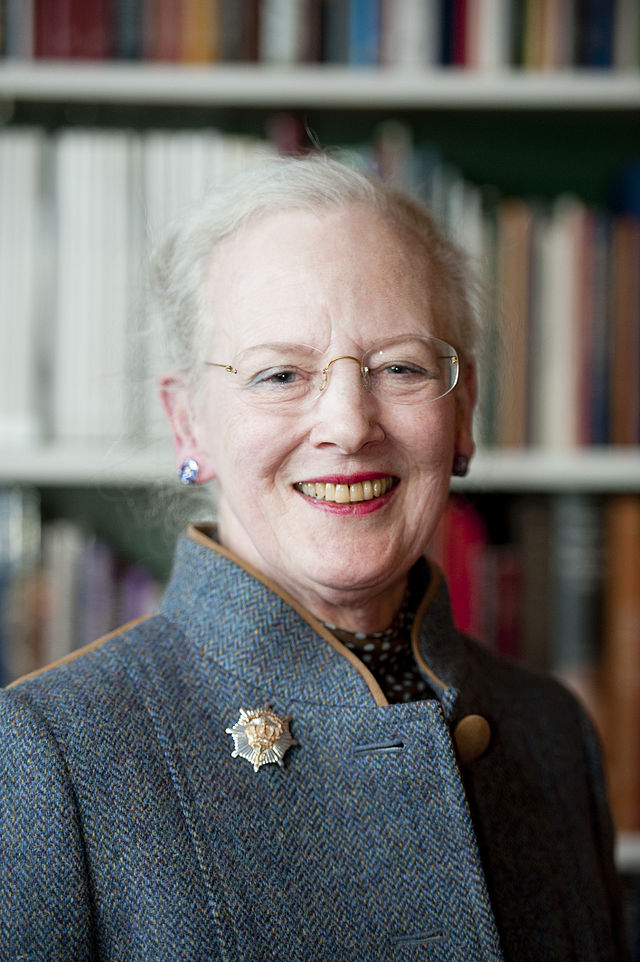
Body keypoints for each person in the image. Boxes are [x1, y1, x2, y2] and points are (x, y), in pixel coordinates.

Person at [0, 155, 628, 961]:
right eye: (280, 374)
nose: (349, 424)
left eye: (399, 367)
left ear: (464, 412)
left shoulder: (550, 730)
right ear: (189, 424)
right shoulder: (49, 752)